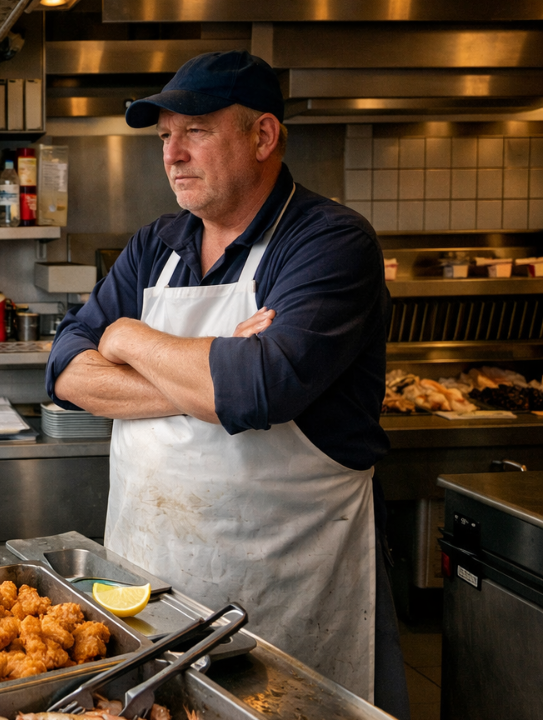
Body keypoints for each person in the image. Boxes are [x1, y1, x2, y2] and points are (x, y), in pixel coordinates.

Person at [46, 51, 406, 718]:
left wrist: (126, 339)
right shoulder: (156, 245)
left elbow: (256, 391)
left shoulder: (330, 243)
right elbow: (66, 370)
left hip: (287, 590)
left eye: (197, 131)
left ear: (263, 136)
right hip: (152, 579)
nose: (173, 154)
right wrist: (205, 376)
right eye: (164, 136)